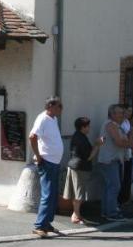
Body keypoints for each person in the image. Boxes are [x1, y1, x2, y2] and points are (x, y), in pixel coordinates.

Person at [28, 97, 65, 237]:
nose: (61, 109)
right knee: (47, 194)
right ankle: (39, 225)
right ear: (50, 106)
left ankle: (47, 223)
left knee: (53, 194)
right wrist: (38, 156)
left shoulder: (53, 119)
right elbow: (32, 137)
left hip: (54, 162)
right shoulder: (42, 119)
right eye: (59, 106)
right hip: (47, 161)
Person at [97, 104, 133, 222]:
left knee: (108, 187)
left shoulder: (117, 126)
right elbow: (119, 142)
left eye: (122, 112)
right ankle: (112, 213)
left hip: (111, 161)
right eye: (119, 113)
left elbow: (123, 141)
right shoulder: (110, 125)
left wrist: (130, 140)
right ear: (112, 114)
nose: (122, 115)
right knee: (114, 186)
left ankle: (106, 211)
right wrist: (131, 144)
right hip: (109, 161)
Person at [63, 116, 97, 224]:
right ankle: (76, 215)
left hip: (74, 166)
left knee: (76, 192)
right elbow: (89, 157)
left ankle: (76, 214)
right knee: (79, 192)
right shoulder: (81, 138)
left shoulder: (77, 136)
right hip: (80, 167)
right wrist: (98, 145)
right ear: (83, 127)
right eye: (88, 126)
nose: (89, 128)